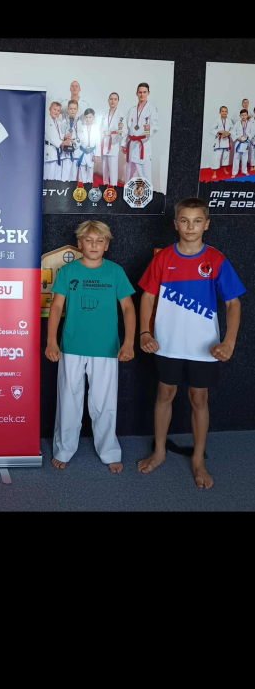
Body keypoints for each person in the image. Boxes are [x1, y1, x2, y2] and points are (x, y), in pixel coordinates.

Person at [137, 197, 246, 490]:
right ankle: (159, 452)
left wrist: (229, 341)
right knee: (164, 394)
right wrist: (145, 333)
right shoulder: (163, 258)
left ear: (206, 225)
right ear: (175, 224)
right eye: (184, 221)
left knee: (199, 400)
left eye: (197, 221)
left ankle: (198, 459)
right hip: (167, 344)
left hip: (204, 347)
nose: (190, 226)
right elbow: (147, 297)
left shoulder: (216, 260)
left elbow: (233, 304)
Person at [46, 220, 136, 474]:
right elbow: (56, 307)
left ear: (107, 245)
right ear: (79, 244)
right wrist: (51, 341)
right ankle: (64, 449)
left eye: (100, 241)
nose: (94, 245)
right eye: (89, 240)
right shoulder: (68, 272)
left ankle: (109, 451)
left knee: (104, 403)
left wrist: (129, 342)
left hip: (106, 348)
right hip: (72, 347)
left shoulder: (115, 272)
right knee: (68, 400)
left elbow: (128, 308)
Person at [122, 82, 159, 186]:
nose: (142, 94)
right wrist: (124, 144)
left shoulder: (152, 109)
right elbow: (126, 128)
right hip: (132, 145)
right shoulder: (132, 110)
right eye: (140, 92)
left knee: (144, 174)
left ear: (148, 93)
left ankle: (146, 195)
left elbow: (156, 126)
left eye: (144, 92)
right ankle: (127, 193)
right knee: (128, 173)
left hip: (143, 145)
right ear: (136, 93)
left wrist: (150, 128)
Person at [98, 92, 125, 187]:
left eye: (115, 99)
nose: (113, 101)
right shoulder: (105, 114)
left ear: (118, 101)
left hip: (113, 144)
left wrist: (120, 129)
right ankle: (105, 186)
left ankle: (114, 188)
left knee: (113, 169)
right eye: (111, 99)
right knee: (104, 168)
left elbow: (123, 132)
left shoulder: (121, 115)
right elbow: (100, 128)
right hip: (104, 143)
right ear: (108, 100)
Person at [74, 107, 99, 185]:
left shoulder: (96, 128)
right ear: (84, 118)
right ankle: (82, 187)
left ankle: (89, 186)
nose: (88, 119)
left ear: (93, 117)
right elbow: (78, 140)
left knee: (90, 170)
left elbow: (98, 142)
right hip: (82, 152)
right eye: (86, 117)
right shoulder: (81, 128)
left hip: (91, 152)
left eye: (90, 117)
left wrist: (96, 155)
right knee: (82, 169)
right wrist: (74, 143)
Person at [44, 103, 68, 182]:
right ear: (49, 109)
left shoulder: (58, 122)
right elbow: (50, 135)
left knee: (57, 174)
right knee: (49, 173)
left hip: (57, 150)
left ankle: (55, 188)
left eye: (58, 110)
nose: (56, 112)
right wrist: (61, 143)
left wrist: (65, 137)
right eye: (54, 109)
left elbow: (59, 135)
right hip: (50, 149)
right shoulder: (46, 121)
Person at [210, 106, 233, 180]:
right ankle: (214, 173)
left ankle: (225, 169)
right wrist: (219, 131)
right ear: (220, 112)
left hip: (226, 141)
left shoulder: (229, 121)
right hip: (219, 142)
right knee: (216, 157)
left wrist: (228, 133)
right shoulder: (217, 120)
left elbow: (232, 129)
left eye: (225, 111)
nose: (224, 113)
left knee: (226, 156)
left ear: (227, 112)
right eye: (222, 111)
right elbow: (212, 129)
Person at [61, 100, 80, 182]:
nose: (73, 111)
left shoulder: (80, 123)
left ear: (77, 110)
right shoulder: (63, 122)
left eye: (74, 109)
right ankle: (64, 188)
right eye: (71, 109)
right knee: (65, 172)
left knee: (74, 173)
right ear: (68, 109)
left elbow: (82, 138)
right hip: (66, 150)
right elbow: (60, 136)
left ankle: (72, 189)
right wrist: (65, 138)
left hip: (76, 150)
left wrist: (75, 142)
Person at [231, 109, 253, 177]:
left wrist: (248, 136)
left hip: (245, 143)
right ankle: (234, 173)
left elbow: (252, 132)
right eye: (242, 115)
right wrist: (238, 138)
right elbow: (233, 132)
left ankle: (244, 171)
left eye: (245, 115)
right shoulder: (237, 124)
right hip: (238, 143)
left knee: (245, 158)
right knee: (236, 158)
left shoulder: (250, 124)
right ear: (240, 116)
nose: (244, 116)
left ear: (247, 115)